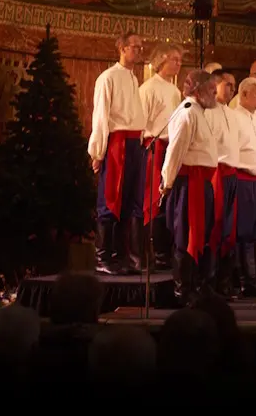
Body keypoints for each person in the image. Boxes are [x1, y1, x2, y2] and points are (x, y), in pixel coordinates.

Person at [89, 32, 148, 276]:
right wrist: (98, 151)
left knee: (130, 201)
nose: (138, 51)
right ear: (122, 49)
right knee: (110, 198)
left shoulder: (134, 79)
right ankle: (103, 257)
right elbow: (101, 116)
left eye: (140, 47)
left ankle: (126, 257)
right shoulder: (107, 78)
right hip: (118, 143)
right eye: (134, 46)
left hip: (135, 143)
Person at [159, 70, 219, 306]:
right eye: (211, 87)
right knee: (186, 236)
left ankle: (197, 285)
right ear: (196, 89)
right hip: (188, 184)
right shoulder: (186, 113)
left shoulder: (198, 111)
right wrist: (167, 181)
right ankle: (182, 290)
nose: (215, 91)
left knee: (201, 234)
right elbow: (175, 151)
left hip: (202, 182)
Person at [139, 43, 182, 269]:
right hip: (154, 146)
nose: (178, 63)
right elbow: (141, 122)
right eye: (174, 58)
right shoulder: (148, 89)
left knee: (167, 200)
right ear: (161, 61)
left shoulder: (175, 91)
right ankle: (149, 253)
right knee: (151, 197)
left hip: (170, 147)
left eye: (179, 59)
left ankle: (164, 252)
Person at [229, 77, 256, 297]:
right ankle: (239, 281)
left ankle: (251, 282)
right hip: (242, 180)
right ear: (243, 94)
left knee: (252, 233)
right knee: (240, 233)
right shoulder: (234, 117)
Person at [206, 69, 242, 298]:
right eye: (227, 84)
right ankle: (209, 283)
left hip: (232, 174)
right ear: (215, 85)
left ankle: (224, 282)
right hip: (216, 173)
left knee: (229, 230)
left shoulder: (233, 113)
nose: (231, 89)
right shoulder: (208, 112)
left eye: (233, 85)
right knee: (215, 227)